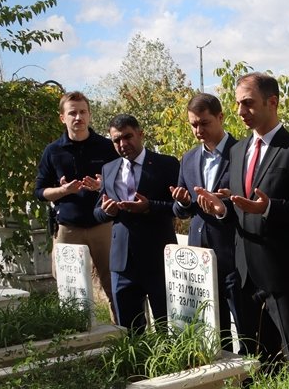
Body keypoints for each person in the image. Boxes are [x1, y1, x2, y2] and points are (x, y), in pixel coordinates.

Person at [194, 72, 289, 368]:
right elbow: (240, 207)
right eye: (237, 104)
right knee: (257, 360)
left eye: (248, 103)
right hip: (244, 273)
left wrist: (269, 208)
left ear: (272, 102)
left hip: (282, 272)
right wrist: (221, 209)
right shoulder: (238, 150)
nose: (240, 112)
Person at [35, 91, 118, 317]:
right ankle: (76, 336)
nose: (78, 117)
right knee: (68, 288)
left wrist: (103, 186)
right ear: (62, 117)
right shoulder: (53, 151)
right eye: (72, 113)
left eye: (83, 112)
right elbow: (40, 192)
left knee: (114, 285)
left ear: (90, 115)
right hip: (68, 228)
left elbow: (124, 185)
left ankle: (124, 334)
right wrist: (63, 190)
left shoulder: (107, 147)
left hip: (103, 226)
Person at [94, 114, 180, 332]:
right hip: (122, 263)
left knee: (167, 326)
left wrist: (149, 206)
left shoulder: (166, 164)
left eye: (127, 137)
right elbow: (98, 212)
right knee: (129, 329)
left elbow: (179, 208)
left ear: (140, 134)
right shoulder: (109, 169)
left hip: (158, 258)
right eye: (116, 140)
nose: (123, 144)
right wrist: (107, 211)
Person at [170, 93, 240, 351]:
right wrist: (184, 202)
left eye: (204, 123)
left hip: (233, 250)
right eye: (193, 124)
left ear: (220, 117)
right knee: (211, 324)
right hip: (200, 253)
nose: (198, 130)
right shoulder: (188, 159)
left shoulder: (240, 152)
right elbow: (181, 210)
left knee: (242, 322)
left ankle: (249, 378)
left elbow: (247, 202)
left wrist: (223, 208)